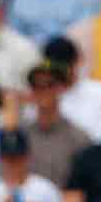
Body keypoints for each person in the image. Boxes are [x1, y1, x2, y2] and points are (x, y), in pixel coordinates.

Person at [22, 60, 90, 189]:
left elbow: (85, 184)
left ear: (61, 88)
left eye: (50, 84)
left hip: (65, 199)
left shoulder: (79, 138)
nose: (43, 90)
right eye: (36, 85)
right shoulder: (22, 135)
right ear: (31, 91)